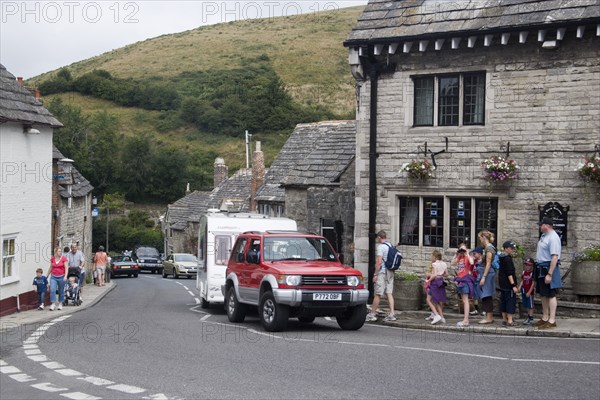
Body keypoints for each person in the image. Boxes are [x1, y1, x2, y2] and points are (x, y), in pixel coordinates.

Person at [534, 216, 562, 329]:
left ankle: (552, 320)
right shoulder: (544, 236)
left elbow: (554, 257)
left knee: (551, 294)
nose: (540, 226)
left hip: (548, 268)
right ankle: (545, 317)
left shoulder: (553, 238)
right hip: (541, 267)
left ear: (547, 226)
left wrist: (549, 274)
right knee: (543, 294)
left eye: (541, 225)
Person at [366, 231, 396, 322]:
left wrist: (375, 274)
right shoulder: (390, 245)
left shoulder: (381, 247)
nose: (377, 239)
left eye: (377, 238)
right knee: (389, 292)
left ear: (379, 237)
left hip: (383, 272)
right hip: (391, 271)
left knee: (378, 293)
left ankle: (372, 314)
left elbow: (379, 262)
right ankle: (392, 314)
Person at [452, 243, 475, 327]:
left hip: (465, 280)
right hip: (460, 280)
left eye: (464, 249)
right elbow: (452, 263)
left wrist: (467, 253)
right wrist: (456, 254)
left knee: (465, 300)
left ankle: (466, 320)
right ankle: (465, 319)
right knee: (463, 300)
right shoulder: (459, 257)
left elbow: (472, 262)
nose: (462, 251)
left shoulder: (468, 256)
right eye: (461, 249)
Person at [477, 230, 497, 324]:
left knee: (486, 295)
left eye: (480, 238)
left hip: (487, 274)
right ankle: (488, 316)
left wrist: (484, 277)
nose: (480, 240)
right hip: (486, 273)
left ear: (484, 238)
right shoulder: (487, 248)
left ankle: (489, 318)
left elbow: (488, 264)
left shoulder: (489, 249)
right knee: (485, 295)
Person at [498, 241, 519, 327]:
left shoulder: (501, 257)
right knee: (510, 301)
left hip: (502, 283)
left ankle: (504, 319)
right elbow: (509, 273)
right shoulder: (507, 258)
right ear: (506, 249)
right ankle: (510, 320)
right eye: (511, 248)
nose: (513, 250)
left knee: (503, 301)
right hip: (508, 284)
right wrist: (513, 285)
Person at [426, 250, 448, 325]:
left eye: (432, 256)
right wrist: (440, 274)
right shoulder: (444, 264)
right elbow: (446, 274)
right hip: (441, 282)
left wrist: (428, 280)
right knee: (437, 301)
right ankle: (442, 317)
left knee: (428, 300)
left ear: (435, 257)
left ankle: (436, 315)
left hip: (434, 283)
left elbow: (434, 275)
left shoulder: (434, 264)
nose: (431, 258)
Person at [519, 257, 536, 325]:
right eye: (526, 265)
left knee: (530, 305)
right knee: (526, 305)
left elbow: (533, 283)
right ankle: (528, 316)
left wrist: (529, 292)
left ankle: (530, 317)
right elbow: (522, 280)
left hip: (529, 292)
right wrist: (519, 287)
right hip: (524, 290)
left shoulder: (532, 274)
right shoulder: (524, 272)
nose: (527, 266)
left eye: (529, 265)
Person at [470, 247, 484, 316]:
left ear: (479, 254)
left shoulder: (483, 262)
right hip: (474, 279)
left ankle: (484, 310)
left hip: (480, 280)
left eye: (475, 254)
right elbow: (471, 269)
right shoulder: (474, 261)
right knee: (475, 295)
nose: (474, 255)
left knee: (482, 295)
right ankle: (476, 309)